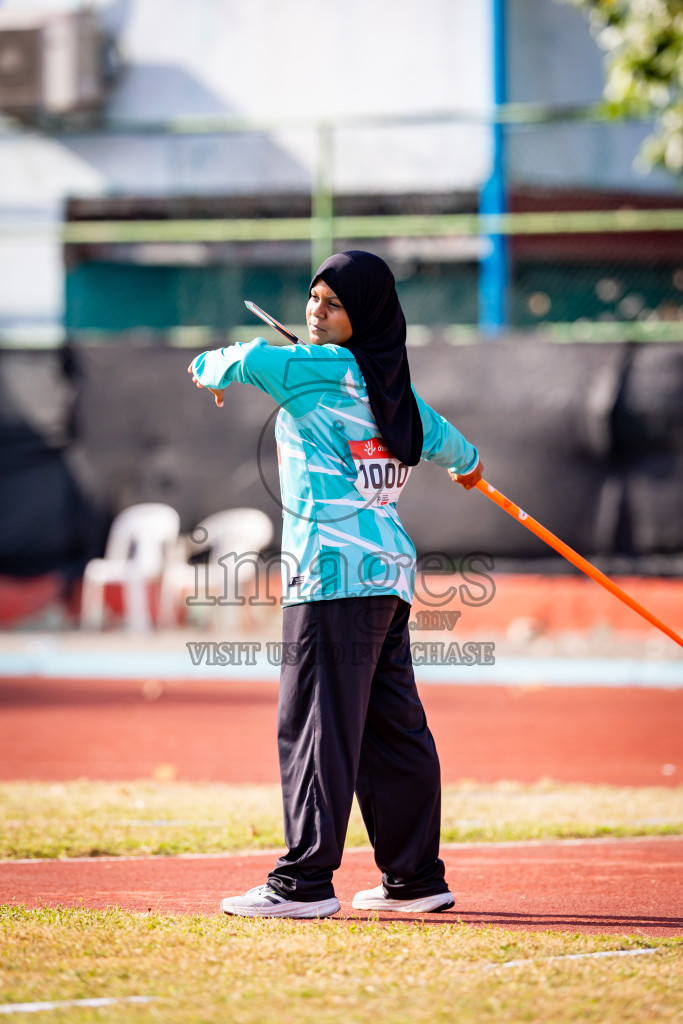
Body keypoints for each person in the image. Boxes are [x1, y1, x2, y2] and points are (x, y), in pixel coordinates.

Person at [188, 250, 483, 919]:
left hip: (327, 578)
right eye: (313, 299)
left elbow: (230, 360)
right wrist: (467, 469)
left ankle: (303, 884)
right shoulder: (396, 393)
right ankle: (413, 878)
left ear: (364, 315)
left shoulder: (306, 368)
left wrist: (211, 370)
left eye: (333, 303)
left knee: (316, 728)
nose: (315, 312)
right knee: (391, 731)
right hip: (387, 580)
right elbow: (454, 449)